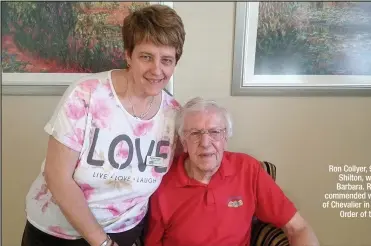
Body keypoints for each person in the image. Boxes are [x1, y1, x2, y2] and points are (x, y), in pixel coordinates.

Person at [21, 4, 185, 246]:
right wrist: (102, 242)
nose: (157, 70)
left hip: (126, 232)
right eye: (146, 57)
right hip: (58, 233)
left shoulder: (173, 114)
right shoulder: (86, 95)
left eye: (167, 60)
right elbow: (57, 177)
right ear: (128, 55)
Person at [145, 97, 320, 246]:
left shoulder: (248, 169)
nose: (205, 143)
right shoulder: (162, 181)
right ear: (183, 141)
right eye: (195, 133)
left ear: (225, 139)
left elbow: (298, 228)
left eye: (214, 132)